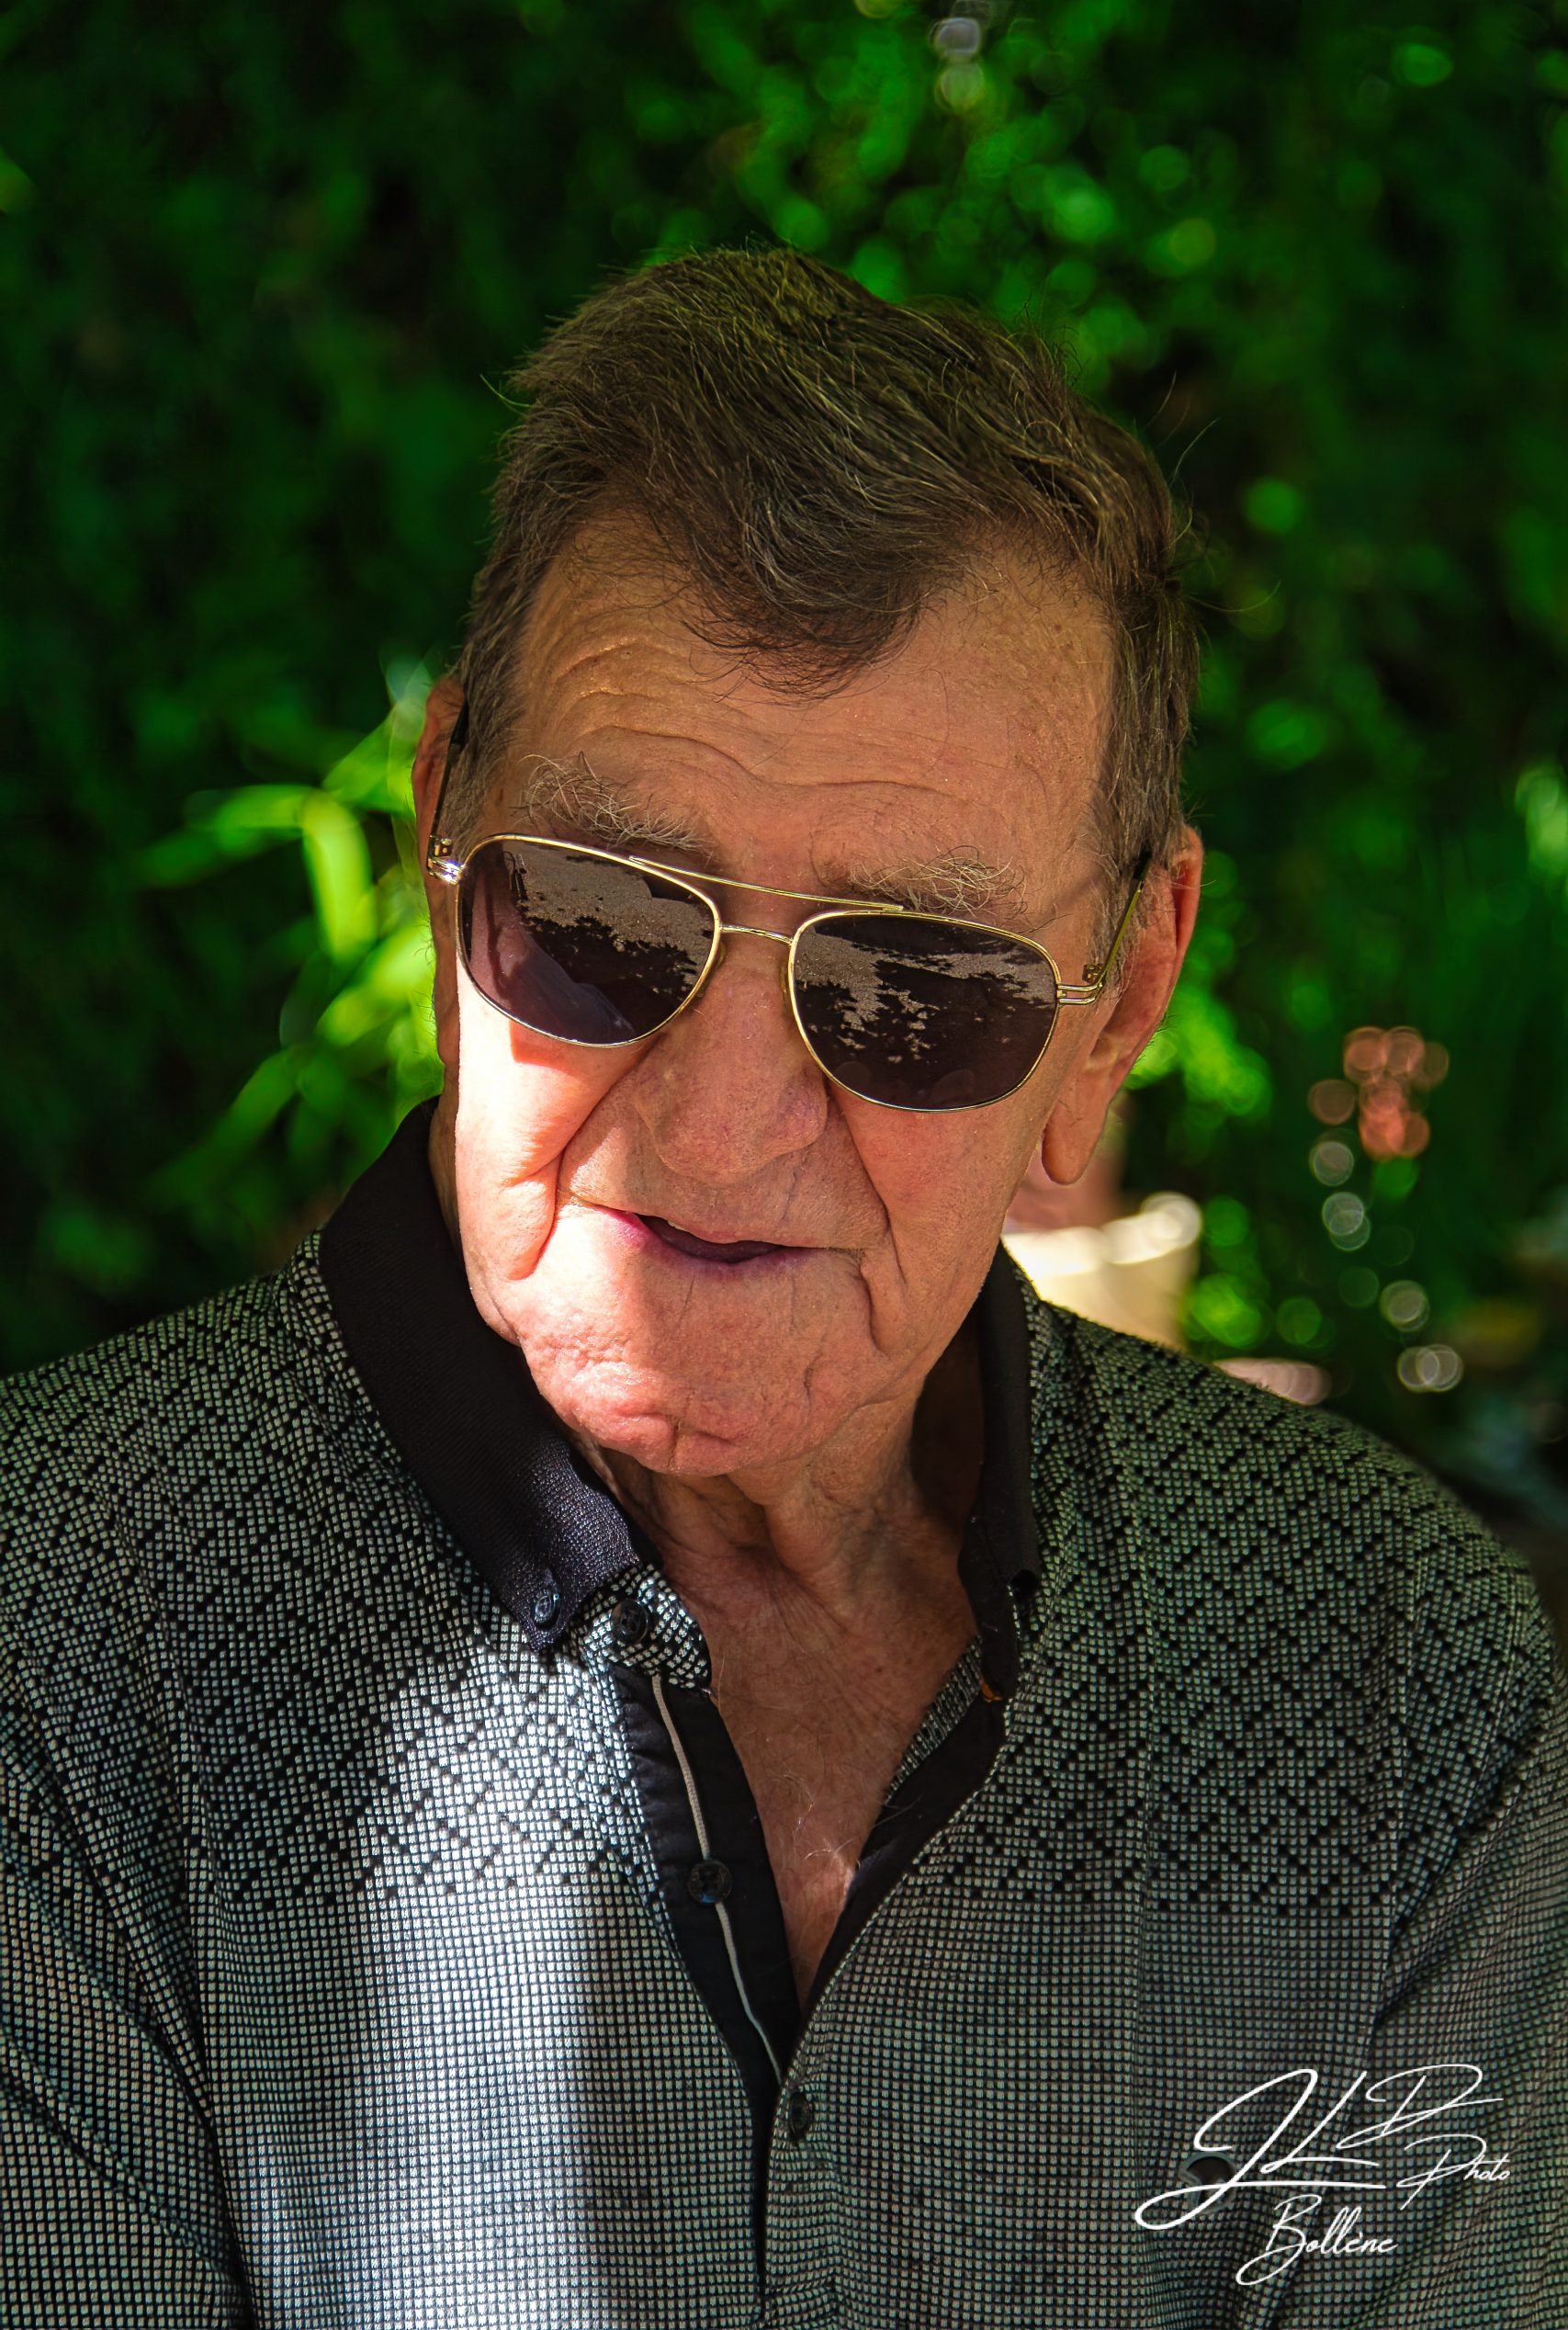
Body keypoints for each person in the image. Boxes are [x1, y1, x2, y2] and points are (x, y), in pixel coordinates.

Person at [3, 244, 1563, 2329]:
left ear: (1120, 1001)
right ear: (441, 839)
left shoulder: (1386, 1677)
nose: (723, 1127)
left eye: (913, 981)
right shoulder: (49, 1649)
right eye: (599, 915)